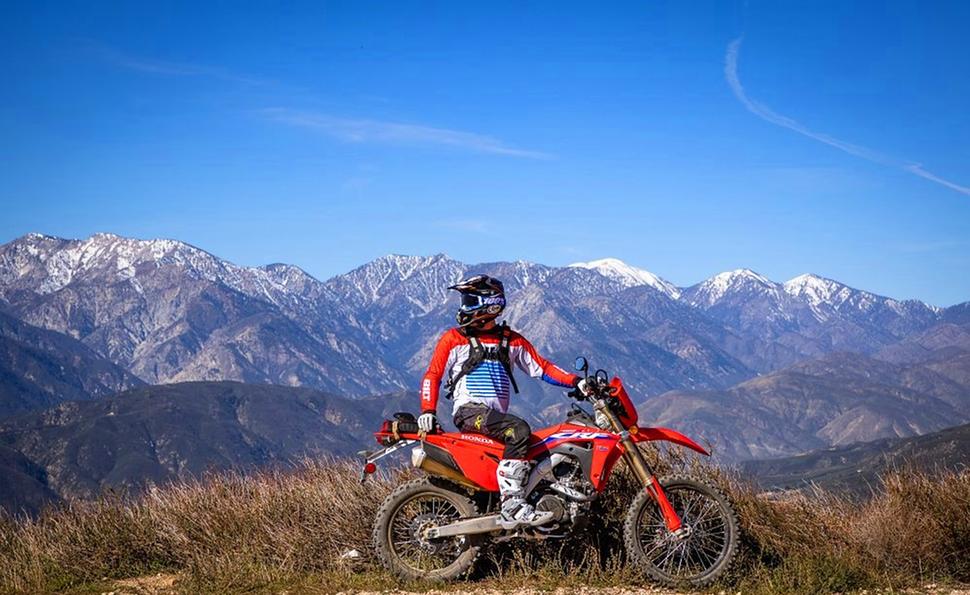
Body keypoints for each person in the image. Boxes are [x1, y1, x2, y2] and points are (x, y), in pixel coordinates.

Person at [417, 274, 589, 528]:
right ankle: (512, 504)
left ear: (491, 305)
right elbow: (433, 374)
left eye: (470, 300)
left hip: (492, 417)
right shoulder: (453, 339)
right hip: (469, 412)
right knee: (518, 430)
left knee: (536, 446)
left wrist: (576, 381)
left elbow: (542, 368)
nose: (464, 307)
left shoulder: (512, 341)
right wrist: (428, 410)